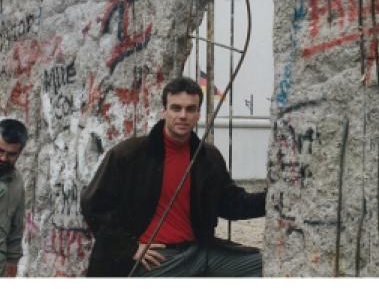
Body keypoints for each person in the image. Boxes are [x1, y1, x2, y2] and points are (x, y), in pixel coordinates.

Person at [81, 76, 266, 277]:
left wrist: (274, 200)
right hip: (155, 258)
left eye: (190, 109)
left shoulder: (207, 156)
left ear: (198, 114)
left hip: (199, 251)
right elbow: (93, 205)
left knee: (267, 266)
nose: (183, 115)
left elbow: (232, 203)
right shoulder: (129, 155)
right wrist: (130, 248)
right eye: (176, 108)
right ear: (164, 111)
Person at [0, 118, 28, 278]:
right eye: (0, 151)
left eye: (11, 154)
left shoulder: (17, 183)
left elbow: (15, 230)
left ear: (20, 152)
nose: (3, 158)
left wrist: (12, 264)